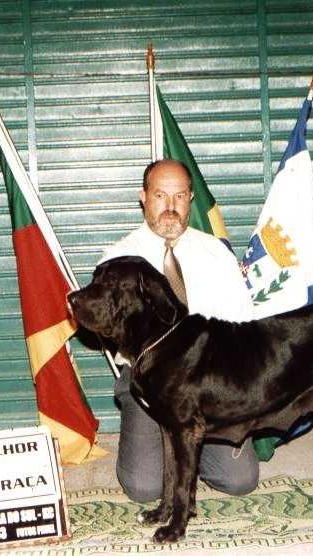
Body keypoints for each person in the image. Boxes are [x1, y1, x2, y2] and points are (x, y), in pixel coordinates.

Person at [101, 159, 260, 503]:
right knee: (146, 488)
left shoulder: (216, 253)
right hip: (149, 381)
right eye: (160, 195)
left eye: (179, 197)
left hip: (209, 381)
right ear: (143, 197)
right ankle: (162, 443)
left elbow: (244, 328)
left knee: (241, 480)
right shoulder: (118, 258)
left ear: (190, 199)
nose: (170, 207)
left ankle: (189, 448)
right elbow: (116, 338)